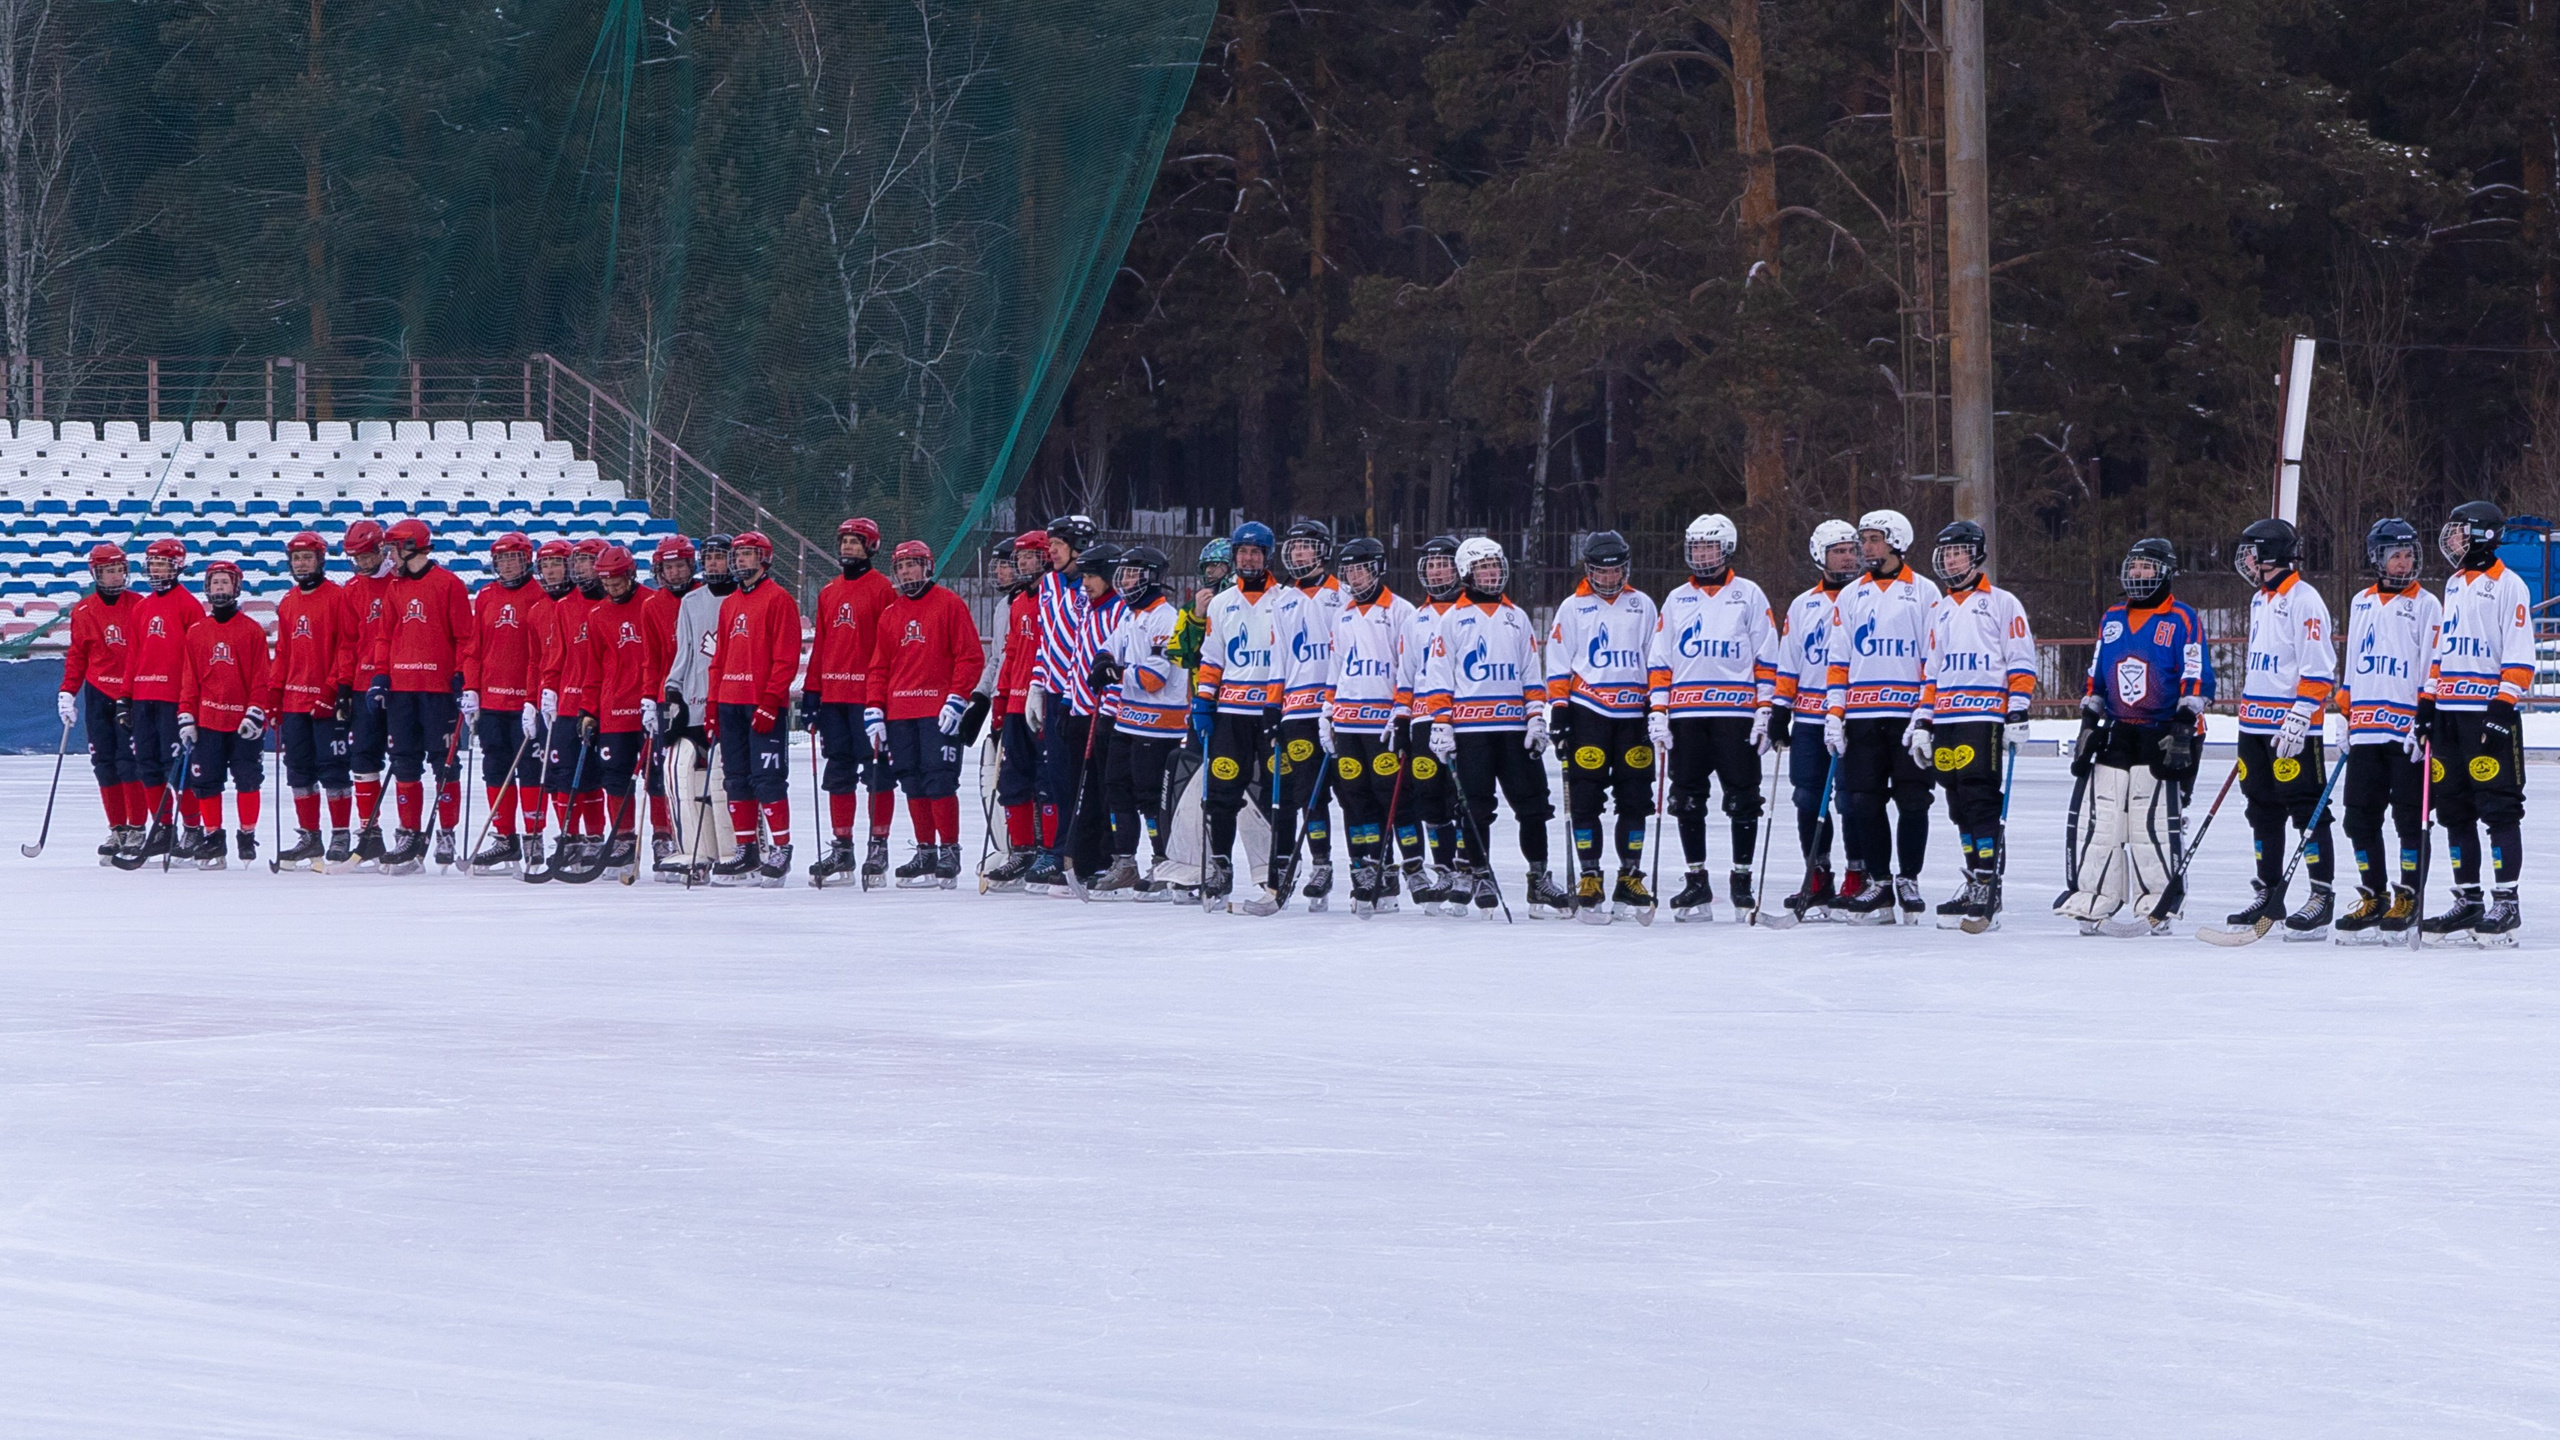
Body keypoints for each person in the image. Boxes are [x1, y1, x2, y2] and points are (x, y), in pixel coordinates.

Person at [2056, 538, 2212, 934]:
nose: (2139, 574)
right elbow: (2098, 672)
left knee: (2151, 821)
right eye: (2135, 566)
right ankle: (2095, 897)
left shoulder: (2182, 618)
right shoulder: (2111, 617)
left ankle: (2157, 902)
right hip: (2120, 729)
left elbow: (2195, 672)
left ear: (2165, 572)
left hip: (2163, 730)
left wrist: (2184, 722)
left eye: (2147, 567)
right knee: (2105, 817)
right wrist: (2089, 720)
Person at [1417, 536, 1569, 916]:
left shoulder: (1517, 617)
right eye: (1483, 567)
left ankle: (1538, 880)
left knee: (1533, 807)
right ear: (1468, 573)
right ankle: (1479, 872)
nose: (1492, 573)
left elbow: (1531, 675)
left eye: (1496, 566)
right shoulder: (1452, 618)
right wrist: (1441, 723)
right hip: (1470, 730)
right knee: (1474, 807)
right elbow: (1440, 676)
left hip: (1513, 728)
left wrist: (1537, 717)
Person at [1646, 514, 1779, 922]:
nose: (1702, 555)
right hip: (1687, 715)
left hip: (1734, 714)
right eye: (1697, 547)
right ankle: (1696, 879)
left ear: (1727, 549)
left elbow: (1767, 655)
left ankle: (1741, 880)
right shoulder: (1676, 599)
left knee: (1742, 798)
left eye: (1710, 547)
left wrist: (1764, 708)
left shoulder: (1749, 595)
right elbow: (1661, 659)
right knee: (1686, 798)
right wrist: (1658, 709)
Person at [1908, 520, 2037, 928]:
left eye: (1959, 551)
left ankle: (1988, 882)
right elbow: (1931, 673)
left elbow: (2020, 660)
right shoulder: (1939, 609)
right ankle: (1973, 875)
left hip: (1984, 716)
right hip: (1947, 716)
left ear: (1976, 555)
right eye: (1946, 552)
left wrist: (2017, 710)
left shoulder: (2001, 603)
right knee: (1956, 801)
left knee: (1980, 797)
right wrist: (1924, 721)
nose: (1950, 559)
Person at [1192, 520, 1318, 912]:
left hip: (1271, 711)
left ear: (1267, 556)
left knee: (1280, 794)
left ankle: (1279, 869)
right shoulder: (1221, 602)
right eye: (1242, 552)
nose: (1248, 559)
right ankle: (1221, 867)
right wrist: (1203, 703)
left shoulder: (1286, 600)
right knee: (1222, 792)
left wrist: (1284, 706)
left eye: (1255, 552)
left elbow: (1294, 658)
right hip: (1231, 713)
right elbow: (1212, 657)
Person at [2422, 500, 2534, 942]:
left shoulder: (2509, 586)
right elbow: (2442, 649)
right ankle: (2468, 900)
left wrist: (2502, 709)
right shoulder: (2452, 583)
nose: (2451, 539)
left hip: (2486, 714)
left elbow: (2519, 655)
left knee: (2498, 805)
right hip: (2449, 714)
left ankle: (2506, 902)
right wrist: (2427, 705)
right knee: (2453, 808)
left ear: (2485, 534)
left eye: (2460, 531)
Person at [1821, 509, 1940, 922]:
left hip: (1908, 716)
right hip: (1862, 716)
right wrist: (1834, 714)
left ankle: (1909, 878)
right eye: (1864, 539)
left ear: (1897, 541)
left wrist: (1926, 713)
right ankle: (1880, 883)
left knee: (1913, 800)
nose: (1866, 547)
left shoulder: (1926, 593)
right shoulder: (1852, 594)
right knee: (1863, 802)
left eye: (1874, 539)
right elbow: (1838, 660)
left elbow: (1934, 660)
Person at [2224, 516, 2339, 936]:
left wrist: (2301, 712)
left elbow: (2319, 667)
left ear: (2271, 553)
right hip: (2255, 724)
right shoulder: (2260, 599)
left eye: (2253, 550)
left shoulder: (2304, 600)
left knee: (2306, 808)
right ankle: (2269, 891)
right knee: (2260, 808)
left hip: (2292, 727)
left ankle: (2321, 895)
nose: (2248, 559)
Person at [2328, 519, 2439, 940]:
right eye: (2396, 555)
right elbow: (2353, 664)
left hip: (2405, 731)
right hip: (2366, 729)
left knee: (2410, 818)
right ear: (2377, 558)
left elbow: (2434, 664)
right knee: (2358, 817)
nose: (2405, 562)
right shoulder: (2360, 602)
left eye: (2410, 554)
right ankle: (2373, 895)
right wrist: (2344, 715)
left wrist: (2424, 716)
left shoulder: (2427, 604)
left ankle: (2408, 894)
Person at [1550, 528, 1663, 920]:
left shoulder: (1643, 605)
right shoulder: (1572, 607)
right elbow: (1559, 662)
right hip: (1589, 711)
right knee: (1585, 797)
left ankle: (1630, 875)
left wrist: (1657, 706)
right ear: (1589, 570)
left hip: (1633, 715)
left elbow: (1656, 657)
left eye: (1616, 572)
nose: (1609, 579)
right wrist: (1559, 712)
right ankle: (1590, 874)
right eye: (1601, 571)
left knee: (1635, 797)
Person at [863, 540, 985, 887]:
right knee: (912, 781)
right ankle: (926, 851)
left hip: (938, 711)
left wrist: (957, 698)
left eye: (912, 565)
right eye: (900, 567)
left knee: (940, 780)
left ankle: (949, 851)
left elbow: (970, 657)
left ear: (927, 567)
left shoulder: (950, 605)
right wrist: (874, 707)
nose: (905, 572)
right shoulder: (891, 614)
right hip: (900, 712)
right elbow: (879, 667)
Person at [1320, 537, 1418, 914]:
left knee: (1387, 794)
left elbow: (1407, 669)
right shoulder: (1342, 615)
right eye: (1349, 571)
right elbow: (1337, 669)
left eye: (1362, 569)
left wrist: (1401, 713)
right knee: (1353, 798)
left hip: (1382, 722)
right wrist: (1326, 712)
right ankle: (1367, 865)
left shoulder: (1400, 611)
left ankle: (1395, 867)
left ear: (1377, 569)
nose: (1355, 577)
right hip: (1347, 722)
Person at [372, 517, 475, 874]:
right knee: (404, 762)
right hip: (402, 691)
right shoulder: (394, 588)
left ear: (411, 546)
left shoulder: (448, 584)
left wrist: (462, 674)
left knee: (444, 763)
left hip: (437, 691)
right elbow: (385, 636)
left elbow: (465, 637)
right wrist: (381, 674)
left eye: (393, 547)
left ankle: (445, 832)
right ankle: (409, 833)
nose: (389, 554)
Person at [803, 517, 900, 886]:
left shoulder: (883, 591)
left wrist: (883, 698)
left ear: (871, 547)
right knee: (838, 774)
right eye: (843, 541)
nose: (847, 548)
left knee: (877, 775)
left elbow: (888, 649)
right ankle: (842, 848)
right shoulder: (828, 592)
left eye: (855, 542)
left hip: (867, 700)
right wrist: (813, 693)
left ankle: (879, 847)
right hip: (834, 700)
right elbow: (823, 647)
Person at [1772, 520, 1861, 919]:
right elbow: (1789, 661)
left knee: (1851, 798)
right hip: (1809, 717)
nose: (1847, 557)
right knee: (1807, 797)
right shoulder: (1803, 604)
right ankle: (1818, 872)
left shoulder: (1866, 597)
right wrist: (1778, 708)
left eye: (1851, 549)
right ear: (1819, 556)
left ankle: (1858, 874)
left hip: (1855, 713)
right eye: (1837, 551)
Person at [1085, 545, 1186, 898]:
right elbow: (1107, 649)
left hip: (1160, 725)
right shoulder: (1131, 616)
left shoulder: (1166, 617)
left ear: (1152, 577)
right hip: (1128, 720)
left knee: (1150, 797)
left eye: (1133, 573)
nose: (1126, 580)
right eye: (1124, 573)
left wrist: (1115, 672)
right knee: (1117, 789)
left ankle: (1163, 862)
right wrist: (1103, 663)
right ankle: (1125, 862)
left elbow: (1154, 677)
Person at [708, 529, 802, 885]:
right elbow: (718, 659)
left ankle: (781, 847)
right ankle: (746, 850)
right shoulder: (730, 603)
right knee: (736, 780)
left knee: (768, 780)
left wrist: (770, 700)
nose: (740, 560)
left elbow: (785, 657)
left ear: (764, 558)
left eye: (747, 553)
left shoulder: (778, 599)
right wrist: (715, 703)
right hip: (731, 702)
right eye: (737, 554)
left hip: (761, 704)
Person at [267, 530, 359, 869]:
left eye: (307, 557)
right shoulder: (289, 602)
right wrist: (274, 696)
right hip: (294, 702)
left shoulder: (338, 597)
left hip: (325, 702)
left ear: (320, 560)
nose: (301, 563)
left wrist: (333, 690)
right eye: (296, 558)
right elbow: (284, 653)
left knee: (333, 769)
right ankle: (309, 836)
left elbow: (347, 647)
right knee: (299, 771)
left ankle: (340, 833)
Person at [175, 559, 271, 868]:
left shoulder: (252, 631)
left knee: (247, 779)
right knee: (206, 782)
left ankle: (247, 834)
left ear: (236, 587)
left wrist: (255, 713)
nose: (219, 587)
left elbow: (261, 678)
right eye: (214, 582)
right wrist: (187, 715)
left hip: (243, 724)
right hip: (208, 723)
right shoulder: (197, 631)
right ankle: (214, 837)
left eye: (225, 582)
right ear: (206, 588)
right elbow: (189, 678)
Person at [1024, 513, 1101, 893]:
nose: (1049, 551)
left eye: (1056, 545)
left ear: (1078, 547)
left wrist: (1073, 693)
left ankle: (1085, 854)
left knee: (1080, 777)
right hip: (1054, 693)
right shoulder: (1050, 584)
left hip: (1082, 698)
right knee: (1056, 778)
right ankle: (1060, 850)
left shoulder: (1092, 588)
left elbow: (1086, 647)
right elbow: (1045, 640)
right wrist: (1037, 685)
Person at [583, 544, 671, 877]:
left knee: (657, 779)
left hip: (650, 706)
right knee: (616, 779)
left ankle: (663, 838)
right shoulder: (597, 615)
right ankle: (622, 840)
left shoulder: (652, 603)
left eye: (618, 578)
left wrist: (661, 697)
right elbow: (593, 667)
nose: (613, 585)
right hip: (613, 708)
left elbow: (665, 655)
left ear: (631, 574)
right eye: (606, 580)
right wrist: (588, 709)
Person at [461, 532, 544, 874]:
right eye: (502, 558)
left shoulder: (540, 597)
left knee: (530, 772)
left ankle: (533, 838)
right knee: (495, 769)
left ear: (527, 560)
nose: (508, 564)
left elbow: (543, 654)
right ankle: (505, 838)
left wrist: (535, 698)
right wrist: (471, 689)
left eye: (514, 557)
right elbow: (474, 647)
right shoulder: (486, 596)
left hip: (525, 703)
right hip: (492, 700)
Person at [656, 533, 736, 882]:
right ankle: (693, 850)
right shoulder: (691, 601)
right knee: (681, 779)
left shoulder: (743, 597)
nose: (715, 563)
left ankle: (736, 850)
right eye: (710, 557)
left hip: (731, 701)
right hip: (693, 704)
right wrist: (671, 692)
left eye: (722, 557)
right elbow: (684, 653)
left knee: (725, 782)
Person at [59, 543, 143, 862]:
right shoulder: (83, 611)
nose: (115, 576)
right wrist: (68, 691)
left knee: (129, 762)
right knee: (103, 763)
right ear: (96, 573)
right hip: (97, 693)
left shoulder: (139, 605)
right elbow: (78, 655)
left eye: (120, 570)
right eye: (109, 571)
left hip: (130, 693)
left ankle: (137, 826)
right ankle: (118, 826)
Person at [1395, 535, 1465, 909]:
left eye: (1444, 564)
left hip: (1466, 717)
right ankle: (1444, 869)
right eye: (1431, 565)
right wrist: (1401, 719)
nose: (1437, 571)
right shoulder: (1415, 619)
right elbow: (1405, 675)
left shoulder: (1469, 611)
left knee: (1466, 796)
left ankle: (1472, 868)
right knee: (1429, 798)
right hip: (1423, 718)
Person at [1277, 519, 1344, 908]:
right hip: (1298, 709)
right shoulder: (1282, 599)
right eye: (1295, 546)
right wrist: (1274, 706)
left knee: (1354, 790)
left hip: (1342, 708)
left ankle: (1370, 865)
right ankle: (1321, 863)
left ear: (1322, 551)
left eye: (1307, 546)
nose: (1299, 553)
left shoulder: (1345, 595)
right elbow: (1280, 658)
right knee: (1309, 794)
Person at [128, 536, 208, 860]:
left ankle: (192, 828)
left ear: (177, 567)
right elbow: (133, 655)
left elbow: (196, 657)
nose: (157, 569)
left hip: (173, 698)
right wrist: (124, 696)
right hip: (142, 695)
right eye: (154, 563)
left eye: (163, 563)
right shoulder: (142, 607)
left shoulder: (189, 605)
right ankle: (162, 828)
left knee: (177, 768)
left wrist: (192, 700)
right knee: (147, 765)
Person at [981, 530, 1050, 890]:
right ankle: (1022, 851)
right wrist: (999, 699)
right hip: (1015, 703)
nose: (1021, 563)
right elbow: (1008, 656)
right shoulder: (1018, 601)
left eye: (1028, 556)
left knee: (1046, 780)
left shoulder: (1054, 598)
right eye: (1018, 557)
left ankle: (1050, 852)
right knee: (1012, 779)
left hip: (1042, 701)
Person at [542, 536, 609, 857]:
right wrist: (548, 692)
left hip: (605, 704)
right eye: (577, 561)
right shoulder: (565, 607)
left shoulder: (611, 603)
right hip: (569, 705)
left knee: (596, 776)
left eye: (587, 560)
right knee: (565, 774)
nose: (580, 567)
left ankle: (596, 840)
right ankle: (569, 838)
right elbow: (555, 656)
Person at [339, 520, 397, 867]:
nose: (361, 563)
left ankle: (411, 834)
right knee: (362, 760)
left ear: (382, 550)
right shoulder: (351, 590)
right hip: (363, 685)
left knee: (406, 760)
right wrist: (344, 685)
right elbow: (346, 643)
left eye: (366, 555)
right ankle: (369, 832)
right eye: (355, 557)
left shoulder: (400, 583)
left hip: (399, 682)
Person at [639, 535, 697, 860]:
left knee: (700, 770)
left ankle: (700, 837)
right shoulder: (652, 606)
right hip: (667, 699)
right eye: (668, 567)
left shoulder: (705, 596)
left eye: (679, 566)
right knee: (660, 773)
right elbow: (653, 659)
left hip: (700, 695)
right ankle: (662, 836)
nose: (674, 573)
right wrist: (650, 698)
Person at [518, 539, 575, 873]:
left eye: (557, 564)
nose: (551, 571)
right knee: (553, 773)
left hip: (575, 699)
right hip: (548, 702)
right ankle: (565, 836)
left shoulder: (577, 603)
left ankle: (585, 838)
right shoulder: (538, 609)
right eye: (546, 565)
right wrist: (531, 701)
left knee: (578, 775)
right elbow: (534, 661)